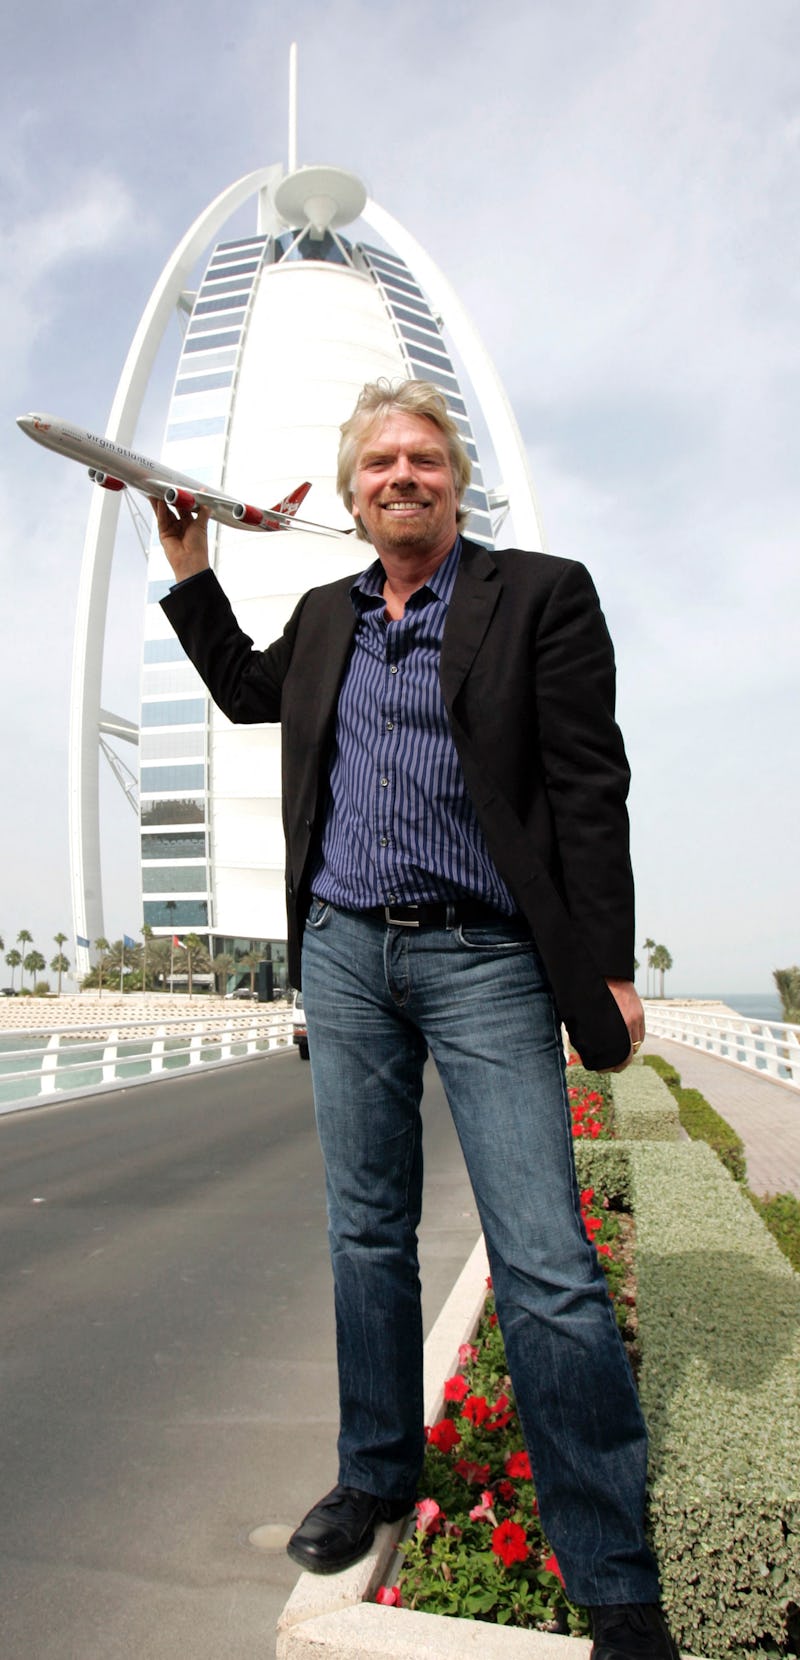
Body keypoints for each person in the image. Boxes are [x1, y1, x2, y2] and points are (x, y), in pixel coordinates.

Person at [154, 379, 679, 1660]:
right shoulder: (326, 617)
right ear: (350, 494)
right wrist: (188, 566)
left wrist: (603, 962)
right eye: (379, 460)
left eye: (423, 455)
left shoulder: (540, 596)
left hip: (486, 955)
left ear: (455, 479)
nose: (403, 473)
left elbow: (584, 782)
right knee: (364, 1237)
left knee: (546, 1265)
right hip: (342, 954)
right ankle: (375, 1471)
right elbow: (240, 689)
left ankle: (611, 1574)